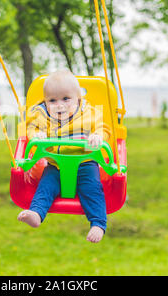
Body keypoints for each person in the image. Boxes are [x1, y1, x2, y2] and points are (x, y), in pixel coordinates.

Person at [17, 70, 111, 243]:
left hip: (85, 161)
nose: (59, 105)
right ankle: (36, 213)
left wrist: (97, 136)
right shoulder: (43, 115)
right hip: (55, 164)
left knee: (92, 189)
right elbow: (32, 128)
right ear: (46, 101)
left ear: (78, 99)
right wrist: (36, 135)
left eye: (66, 99)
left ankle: (98, 223)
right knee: (46, 185)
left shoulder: (89, 113)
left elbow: (102, 128)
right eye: (52, 100)